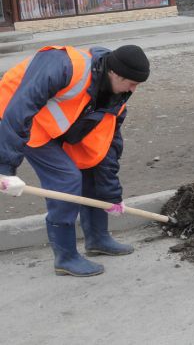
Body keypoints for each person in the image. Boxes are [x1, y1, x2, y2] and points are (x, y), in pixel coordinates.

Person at [0, 44, 150, 277]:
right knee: (66, 179)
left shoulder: (115, 100)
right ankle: (65, 257)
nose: (134, 89)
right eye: (132, 83)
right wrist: (5, 168)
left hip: (56, 126)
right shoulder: (65, 65)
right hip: (16, 115)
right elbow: (21, 106)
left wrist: (111, 196)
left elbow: (105, 150)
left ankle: (98, 238)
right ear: (115, 73)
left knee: (90, 163)